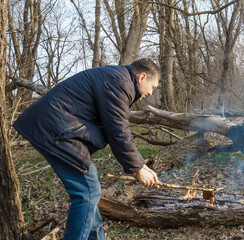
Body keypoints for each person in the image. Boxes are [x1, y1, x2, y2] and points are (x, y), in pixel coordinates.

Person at [13, 58, 161, 240]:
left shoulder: (118, 78)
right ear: (142, 77)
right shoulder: (120, 82)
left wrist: (142, 165)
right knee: (87, 192)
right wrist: (138, 169)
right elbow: (117, 130)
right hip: (55, 129)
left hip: (56, 127)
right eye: (152, 87)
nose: (150, 93)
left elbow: (116, 127)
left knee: (90, 193)